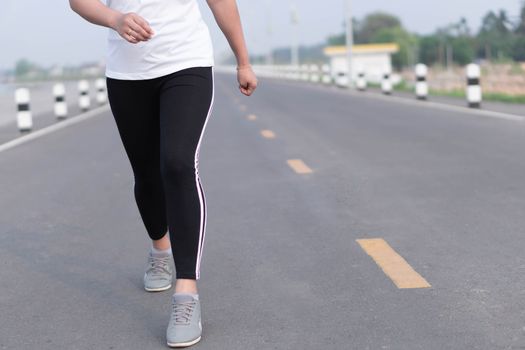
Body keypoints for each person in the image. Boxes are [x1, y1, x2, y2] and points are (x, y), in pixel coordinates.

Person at [69, 0, 258, 347]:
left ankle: (187, 292)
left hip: (186, 63)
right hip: (127, 75)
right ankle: (160, 251)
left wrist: (243, 60)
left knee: (178, 163)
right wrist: (116, 18)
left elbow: (221, 2)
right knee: (147, 173)